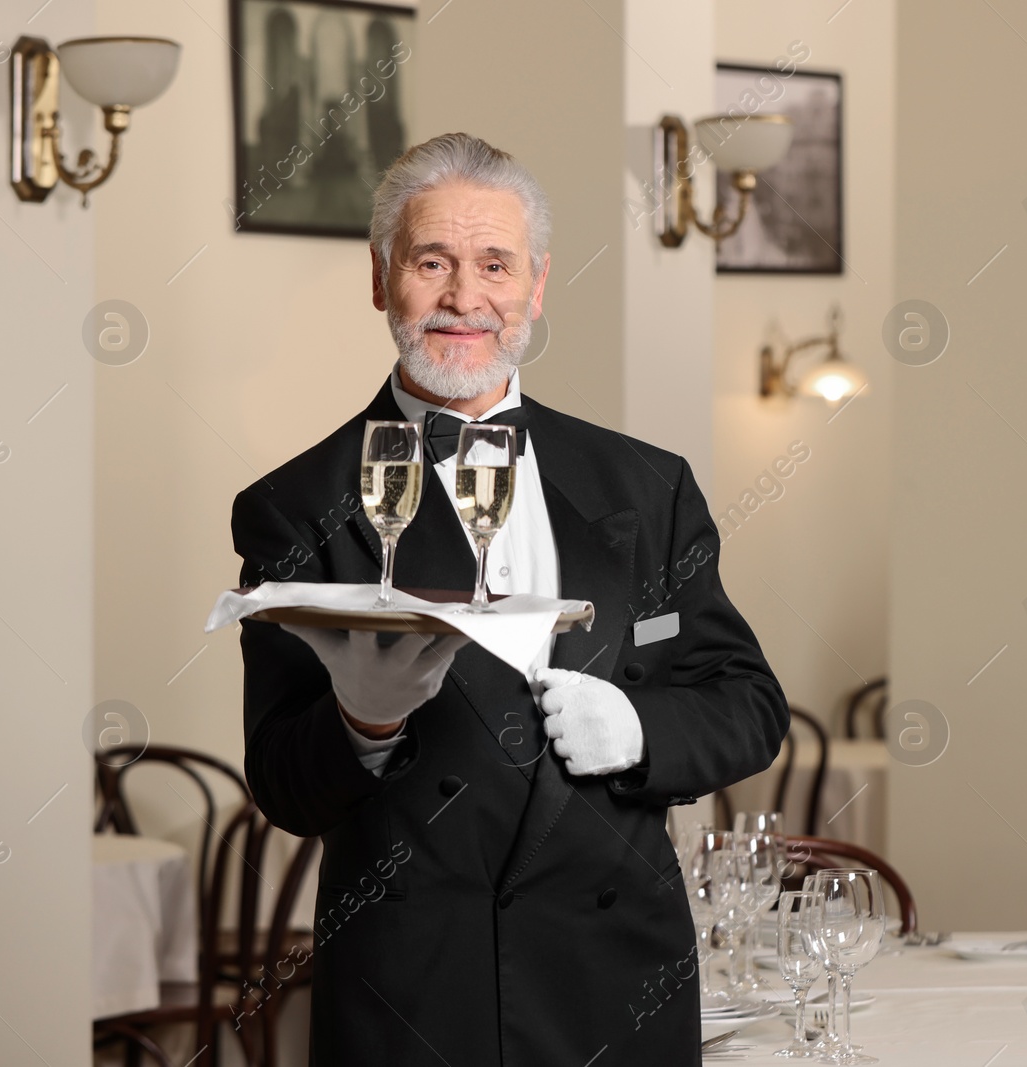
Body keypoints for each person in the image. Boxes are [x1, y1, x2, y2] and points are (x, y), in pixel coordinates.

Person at [230, 131, 789, 1066]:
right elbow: (284, 784)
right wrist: (361, 725)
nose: (463, 297)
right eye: (431, 261)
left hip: (620, 983)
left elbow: (749, 706)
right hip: (417, 995)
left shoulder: (648, 486)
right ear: (381, 279)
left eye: (496, 264)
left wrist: (639, 730)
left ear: (535, 287)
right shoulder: (296, 504)